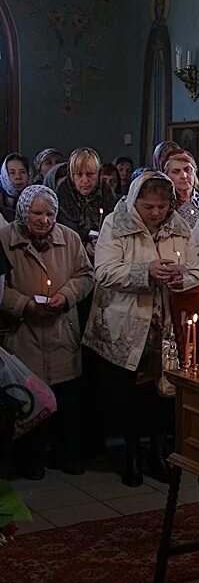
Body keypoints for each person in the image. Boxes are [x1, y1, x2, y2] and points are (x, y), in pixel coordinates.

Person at [83, 171, 199, 486]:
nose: (155, 213)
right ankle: (131, 454)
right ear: (135, 200)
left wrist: (182, 279)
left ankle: (159, 450)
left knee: (161, 392)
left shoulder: (180, 226)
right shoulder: (115, 224)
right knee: (128, 394)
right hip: (125, 322)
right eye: (149, 206)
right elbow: (105, 272)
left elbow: (194, 270)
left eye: (162, 207)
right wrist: (145, 271)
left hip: (164, 325)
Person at [0, 185, 94, 479]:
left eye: (50, 214)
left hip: (61, 328)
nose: (44, 220)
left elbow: (85, 275)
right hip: (24, 331)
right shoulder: (4, 240)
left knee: (67, 397)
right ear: (23, 212)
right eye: (37, 213)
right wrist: (23, 304)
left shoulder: (68, 238)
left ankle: (66, 455)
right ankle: (31, 459)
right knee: (31, 396)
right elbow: (0, 289)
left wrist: (65, 296)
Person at [56, 147, 117, 257]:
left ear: (98, 174)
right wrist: (83, 246)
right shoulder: (61, 200)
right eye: (79, 175)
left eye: (90, 174)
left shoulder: (108, 197)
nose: (85, 180)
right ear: (71, 175)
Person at [161, 148, 199, 228]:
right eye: (176, 171)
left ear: (195, 172)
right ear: (167, 176)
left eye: (187, 170)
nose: (184, 176)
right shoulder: (164, 203)